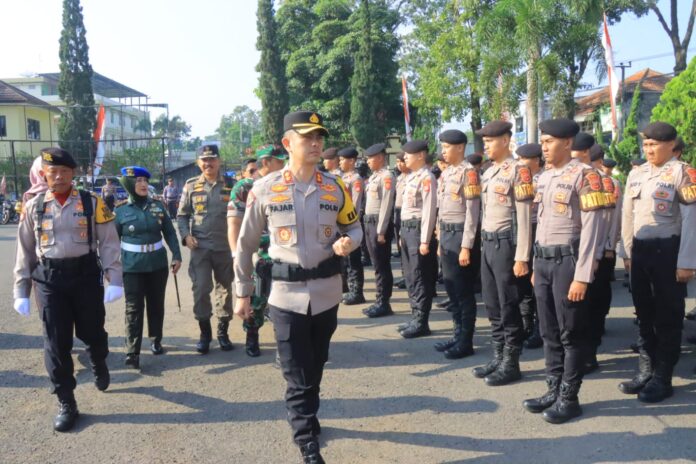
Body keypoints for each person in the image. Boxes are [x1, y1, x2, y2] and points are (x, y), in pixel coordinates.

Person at [234, 111, 361, 463]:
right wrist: (242, 292)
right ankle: (305, 437)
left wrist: (348, 242)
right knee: (296, 370)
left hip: (326, 294)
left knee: (316, 364)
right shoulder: (264, 189)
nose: (316, 143)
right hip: (285, 297)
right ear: (288, 144)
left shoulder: (334, 187)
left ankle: (308, 414)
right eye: (308, 138)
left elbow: (355, 228)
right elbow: (245, 245)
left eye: (319, 137)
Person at [13, 147, 123, 432]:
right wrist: (21, 289)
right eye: (52, 172)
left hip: (85, 275)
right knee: (55, 342)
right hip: (49, 280)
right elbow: (24, 250)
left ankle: (98, 360)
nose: (58, 176)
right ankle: (66, 400)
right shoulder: (34, 206)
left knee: (92, 332)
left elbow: (108, 241)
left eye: (63, 171)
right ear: (44, 174)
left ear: (73, 173)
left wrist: (115, 277)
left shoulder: (91, 202)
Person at [522, 118, 604, 424]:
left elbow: (593, 229)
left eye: (549, 141)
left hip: (568, 263)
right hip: (543, 262)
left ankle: (570, 398)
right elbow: (540, 223)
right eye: (542, 141)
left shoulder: (586, 175)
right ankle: (553, 388)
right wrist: (533, 263)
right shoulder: (543, 178)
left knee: (570, 332)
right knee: (548, 331)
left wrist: (582, 275)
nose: (543, 146)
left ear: (568, 143)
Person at [619, 122, 696, 403]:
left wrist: (686, 261)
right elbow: (627, 215)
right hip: (641, 252)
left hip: (669, 252)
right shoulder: (636, 174)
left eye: (654, 145)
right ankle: (646, 369)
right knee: (644, 313)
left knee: (668, 315)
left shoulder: (683, 173)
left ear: (670, 145)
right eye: (646, 145)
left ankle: (663, 376)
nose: (648, 149)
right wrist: (626, 252)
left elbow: (691, 220)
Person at [472, 120, 533, 387]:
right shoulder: (488, 171)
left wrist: (522, 256)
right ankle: (498, 355)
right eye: (484, 141)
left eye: (490, 140)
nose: (486, 144)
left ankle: (512, 362)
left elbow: (524, 216)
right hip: (488, 242)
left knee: (509, 304)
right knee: (492, 302)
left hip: (507, 245)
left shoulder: (519, 170)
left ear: (506, 141)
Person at [114, 166, 182, 369]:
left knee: (156, 304)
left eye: (145, 180)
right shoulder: (120, 211)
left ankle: (155, 339)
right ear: (128, 185)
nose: (143, 184)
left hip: (157, 265)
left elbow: (169, 233)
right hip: (132, 266)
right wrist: (111, 268)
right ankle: (132, 351)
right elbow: (111, 242)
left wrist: (176, 255)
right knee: (133, 308)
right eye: (137, 181)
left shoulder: (158, 207)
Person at [228, 145, 287, 357]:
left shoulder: (286, 184)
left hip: (283, 252)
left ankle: (284, 342)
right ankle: (251, 335)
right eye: (279, 161)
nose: (283, 164)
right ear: (266, 163)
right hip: (257, 253)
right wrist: (237, 255)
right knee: (256, 300)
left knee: (283, 300)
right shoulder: (245, 188)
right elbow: (234, 224)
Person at [177, 144, 235, 354]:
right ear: (198, 163)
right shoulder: (191, 185)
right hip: (200, 248)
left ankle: (222, 332)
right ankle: (205, 333)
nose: (208, 163)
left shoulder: (232, 184)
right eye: (204, 160)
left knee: (225, 290)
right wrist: (186, 236)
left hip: (225, 247)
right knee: (201, 289)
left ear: (219, 161)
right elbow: (182, 215)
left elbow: (241, 214)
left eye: (212, 159)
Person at [433, 130, 481, 359]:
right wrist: (440, 238)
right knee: (451, 289)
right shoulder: (447, 173)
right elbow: (442, 210)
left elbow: (472, 213)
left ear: (460, 147)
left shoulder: (468, 173)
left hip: (462, 235)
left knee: (463, 292)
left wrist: (466, 246)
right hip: (448, 236)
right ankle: (456, 334)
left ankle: (466, 341)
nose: (443, 151)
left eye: (447, 146)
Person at [398, 140, 438, 339]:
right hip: (407, 230)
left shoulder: (427, 177)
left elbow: (429, 211)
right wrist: (400, 234)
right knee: (410, 276)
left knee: (420, 276)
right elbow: (405, 209)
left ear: (421, 155)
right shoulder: (411, 177)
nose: (404, 157)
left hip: (418, 231)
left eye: (408, 154)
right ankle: (415, 316)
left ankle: (422, 321)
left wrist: (425, 240)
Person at [361, 142, 396, 318]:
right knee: (376, 264)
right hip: (369, 223)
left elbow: (386, 205)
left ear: (380, 158)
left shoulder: (386, 176)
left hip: (378, 224)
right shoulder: (374, 177)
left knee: (382, 265)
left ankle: (383, 302)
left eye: (370, 158)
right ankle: (379, 300)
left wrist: (381, 230)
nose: (367, 162)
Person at [515, 143, 544, 349]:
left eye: (524, 160)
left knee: (538, 284)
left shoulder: (544, 179)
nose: (520, 164)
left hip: (540, 230)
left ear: (535, 160)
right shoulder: (520, 179)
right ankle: (526, 324)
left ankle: (540, 329)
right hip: (522, 230)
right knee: (523, 282)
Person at [338, 147, 366, 305]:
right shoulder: (343, 177)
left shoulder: (356, 179)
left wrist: (347, 222)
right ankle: (350, 288)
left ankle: (357, 291)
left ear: (352, 161)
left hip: (351, 223)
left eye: (343, 160)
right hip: (343, 224)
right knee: (347, 259)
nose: (340, 162)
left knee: (354, 258)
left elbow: (354, 204)